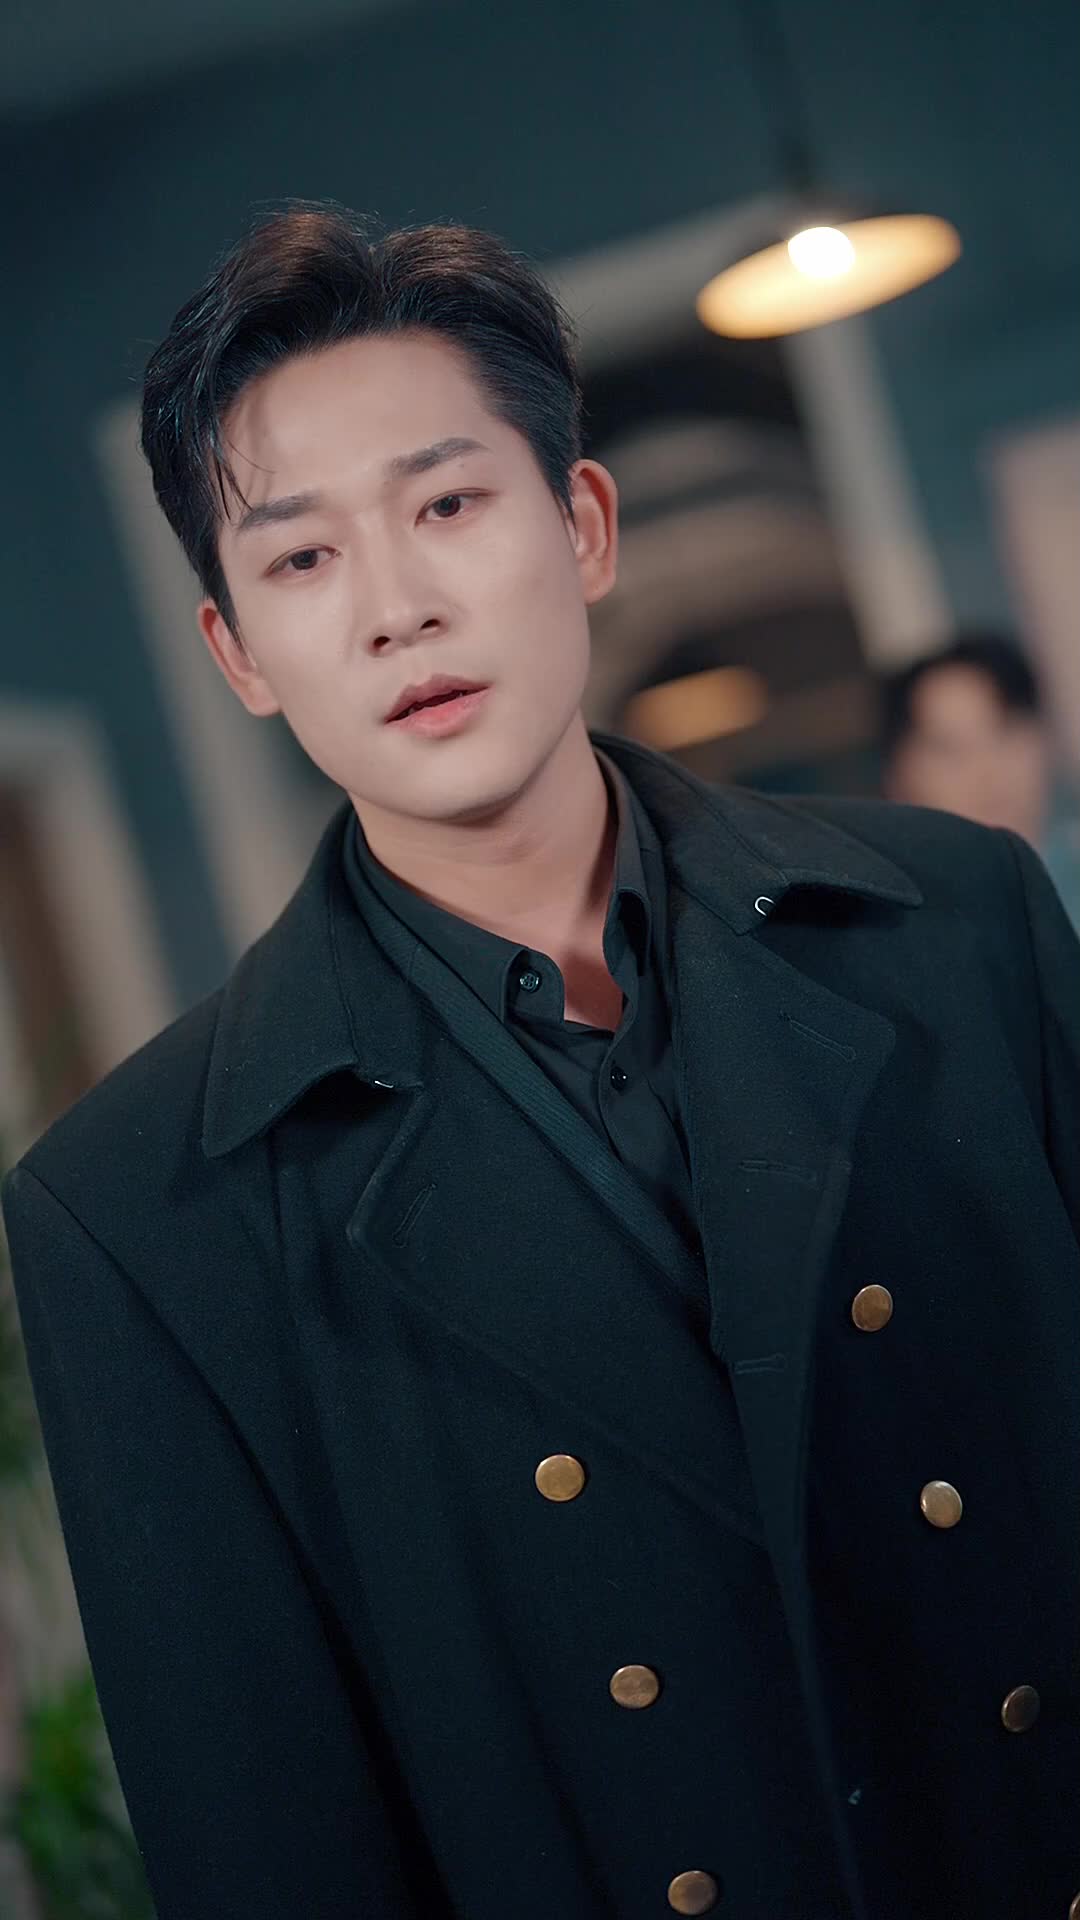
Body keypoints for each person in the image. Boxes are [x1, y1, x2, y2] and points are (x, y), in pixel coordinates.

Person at [3, 202, 1079, 1920]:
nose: (397, 609)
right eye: (301, 559)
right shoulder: (136, 1213)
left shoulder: (957, 924)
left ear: (581, 523)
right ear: (237, 655)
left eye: (446, 505)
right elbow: (271, 1852)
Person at [880, 631, 1080, 928]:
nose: (988, 772)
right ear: (899, 781)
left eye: (1005, 731)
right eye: (950, 749)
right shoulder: (912, 931)